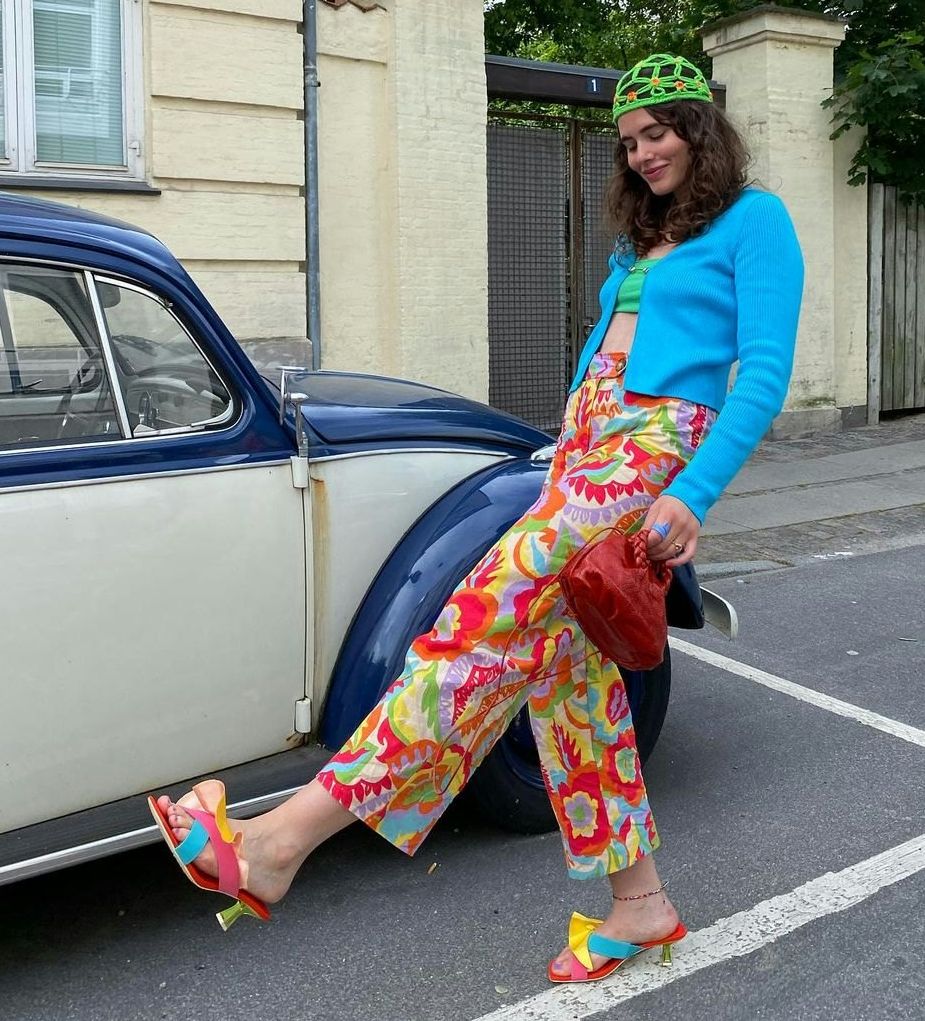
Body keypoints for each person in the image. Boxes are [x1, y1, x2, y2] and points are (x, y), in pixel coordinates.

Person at [149, 52, 803, 984]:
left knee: (470, 627)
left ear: (701, 130)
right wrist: (562, 450)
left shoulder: (756, 221)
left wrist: (690, 494)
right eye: (628, 143)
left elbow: (764, 375)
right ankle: (640, 902)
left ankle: (276, 846)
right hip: (585, 454)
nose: (643, 154)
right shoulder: (645, 239)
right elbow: (607, 359)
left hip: (649, 457)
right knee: (571, 691)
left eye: (658, 134)